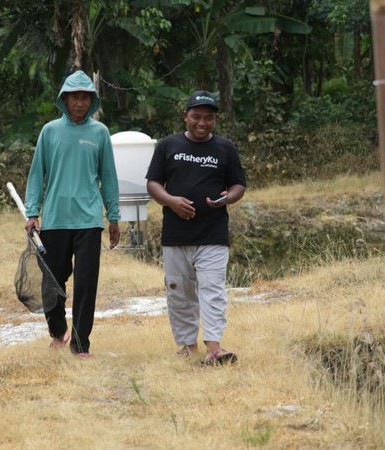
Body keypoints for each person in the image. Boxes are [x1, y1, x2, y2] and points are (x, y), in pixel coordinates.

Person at [145, 90, 247, 365]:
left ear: (215, 120)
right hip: (175, 236)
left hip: (213, 234)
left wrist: (228, 198)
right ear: (185, 117)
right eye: (197, 117)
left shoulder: (225, 148)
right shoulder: (168, 146)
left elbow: (238, 184)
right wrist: (170, 201)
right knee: (179, 291)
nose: (202, 123)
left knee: (212, 289)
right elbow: (153, 183)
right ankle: (188, 345)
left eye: (209, 118)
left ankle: (215, 347)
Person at [23, 70, 120, 358]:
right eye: (74, 97)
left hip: (89, 220)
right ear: (64, 100)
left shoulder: (99, 133)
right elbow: (36, 173)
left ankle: (80, 345)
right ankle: (57, 332)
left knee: (86, 283)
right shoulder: (50, 131)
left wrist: (113, 217)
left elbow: (109, 178)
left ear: (92, 101)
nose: (79, 103)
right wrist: (32, 212)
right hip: (54, 219)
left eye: (85, 98)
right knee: (53, 281)